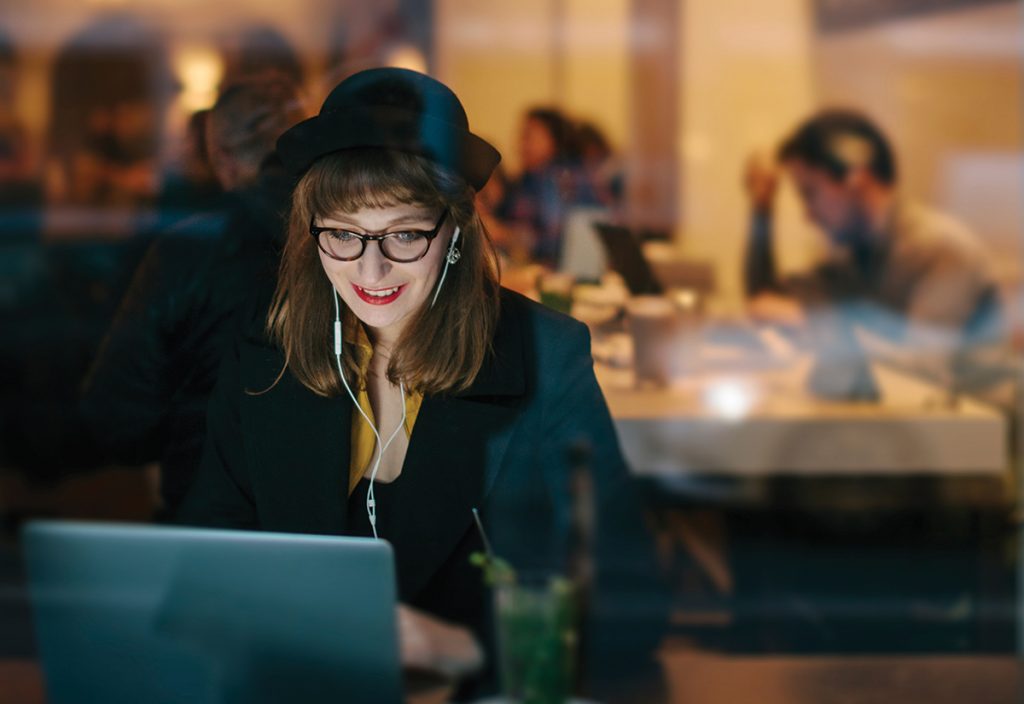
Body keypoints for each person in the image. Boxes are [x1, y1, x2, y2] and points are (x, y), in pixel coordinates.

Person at [176, 68, 665, 701]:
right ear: (311, 233)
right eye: (344, 234)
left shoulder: (545, 356)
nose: (370, 268)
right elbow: (207, 567)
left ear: (455, 230)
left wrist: (463, 647)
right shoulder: (264, 355)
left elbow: (632, 606)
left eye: (404, 233)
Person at [81, 76, 306, 518]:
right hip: (334, 514)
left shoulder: (191, 248)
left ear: (220, 158)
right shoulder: (353, 234)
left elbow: (116, 413)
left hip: (206, 505)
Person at [743, 108, 1004, 395]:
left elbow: (925, 369)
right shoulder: (853, 254)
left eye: (810, 193)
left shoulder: (943, 249)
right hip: (917, 428)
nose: (808, 215)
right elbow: (767, 302)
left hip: (979, 430)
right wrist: (762, 207)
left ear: (856, 177)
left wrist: (821, 324)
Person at [499, 106, 599, 267]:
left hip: (555, 275)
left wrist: (506, 235)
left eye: (528, 136)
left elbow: (555, 242)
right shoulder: (527, 179)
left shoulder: (562, 178)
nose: (520, 145)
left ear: (553, 140)